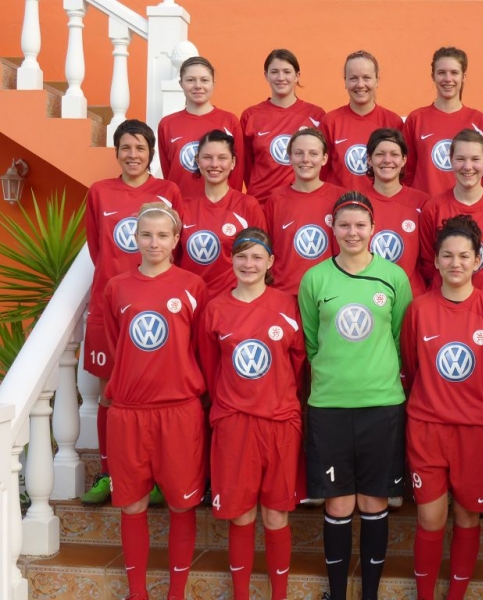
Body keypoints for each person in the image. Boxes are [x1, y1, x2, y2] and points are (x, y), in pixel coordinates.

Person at [298, 192, 412, 600]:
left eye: (360, 225)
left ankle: (370, 593)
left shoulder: (393, 277)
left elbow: (400, 337)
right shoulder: (314, 279)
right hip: (329, 406)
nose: (352, 232)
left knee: (374, 501)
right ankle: (337, 593)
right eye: (344, 225)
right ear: (332, 228)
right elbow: (312, 341)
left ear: (373, 229)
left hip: (381, 404)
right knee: (338, 504)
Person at [400, 214, 483, 600]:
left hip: (475, 432)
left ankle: (457, 594)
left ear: (478, 260)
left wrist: (478, 407)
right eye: (447, 255)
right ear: (435, 260)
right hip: (427, 428)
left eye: (464, 256)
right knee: (430, 518)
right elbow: (411, 366)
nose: (455, 263)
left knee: (467, 515)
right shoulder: (419, 310)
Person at [103, 202, 208, 600]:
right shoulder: (117, 287)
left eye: (163, 235)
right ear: (135, 238)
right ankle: (138, 593)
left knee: (181, 505)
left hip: (178, 410)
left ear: (176, 239)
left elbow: (198, 348)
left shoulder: (193, 286)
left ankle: (176, 593)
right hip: (129, 413)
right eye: (146, 234)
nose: (154, 242)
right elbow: (116, 346)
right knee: (132, 506)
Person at [197, 228, 305, 600]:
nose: (249, 264)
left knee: (276, 514)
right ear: (231, 260)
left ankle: (279, 594)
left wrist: (277, 396)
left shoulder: (287, 305)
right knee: (241, 514)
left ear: (270, 261)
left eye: (257, 256)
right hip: (235, 421)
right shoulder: (216, 309)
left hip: (280, 422)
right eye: (241, 256)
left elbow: (298, 361)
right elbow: (211, 367)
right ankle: (241, 594)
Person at [81, 119, 181, 507]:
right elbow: (98, 248)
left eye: (140, 148)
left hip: (154, 309)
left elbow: (174, 246)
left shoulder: (167, 191)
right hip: (109, 306)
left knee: (155, 391)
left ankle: (154, 476)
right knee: (109, 393)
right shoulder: (100, 192)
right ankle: (109, 473)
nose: (133, 155)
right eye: (126, 147)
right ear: (116, 152)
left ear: (151, 152)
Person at [419, 129, 483, 301]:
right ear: (451, 160)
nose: (467, 166)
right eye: (460, 159)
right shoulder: (433, 209)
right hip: (443, 303)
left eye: (475, 159)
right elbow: (429, 264)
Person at [177, 129, 266, 299]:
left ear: (233, 162)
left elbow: (261, 257)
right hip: (191, 298)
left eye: (222, 158)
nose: (214, 164)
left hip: (233, 301)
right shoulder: (183, 207)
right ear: (197, 161)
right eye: (207, 157)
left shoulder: (248, 206)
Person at [263, 128, 345, 296]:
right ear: (290, 157)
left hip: (329, 294)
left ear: (324, 159)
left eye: (313, 153)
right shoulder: (276, 199)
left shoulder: (340, 198)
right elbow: (267, 250)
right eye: (298, 153)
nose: (305, 159)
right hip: (285, 293)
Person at [402, 47, 483, 197]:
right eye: (441, 72)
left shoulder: (478, 120)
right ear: (433, 76)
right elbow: (406, 171)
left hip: (464, 206)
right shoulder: (416, 119)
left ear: (463, 76)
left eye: (454, 73)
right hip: (425, 206)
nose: (448, 79)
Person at [240, 49, 326, 206]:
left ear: (297, 76)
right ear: (266, 75)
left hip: (301, 202)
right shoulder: (251, 115)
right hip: (261, 203)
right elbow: (246, 165)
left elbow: (322, 161)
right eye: (274, 72)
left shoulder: (316, 115)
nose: (281, 78)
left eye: (287, 72)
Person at [158, 56, 244, 197]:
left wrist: (230, 204)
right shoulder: (167, 124)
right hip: (181, 205)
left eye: (204, 80)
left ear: (213, 83)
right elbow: (169, 172)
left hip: (220, 206)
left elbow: (237, 173)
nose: (198, 86)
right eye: (190, 80)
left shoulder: (230, 121)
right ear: (181, 83)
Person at [359, 128, 429, 296]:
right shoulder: (356, 201)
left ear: (404, 160)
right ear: (369, 159)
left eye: (394, 154)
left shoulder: (423, 203)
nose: (387, 160)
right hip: (366, 295)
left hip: (411, 295)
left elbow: (429, 259)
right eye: (380, 154)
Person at [320, 51, 404, 190]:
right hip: (340, 202)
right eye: (353, 78)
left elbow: (401, 172)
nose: (360, 84)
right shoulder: (330, 122)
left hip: (379, 201)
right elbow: (321, 172)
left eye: (366, 78)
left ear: (377, 80)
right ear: (345, 81)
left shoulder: (393, 122)